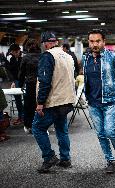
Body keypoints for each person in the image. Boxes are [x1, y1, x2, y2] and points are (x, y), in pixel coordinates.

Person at [83, 29, 115, 173]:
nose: (95, 44)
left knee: (110, 131)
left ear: (104, 42)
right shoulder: (86, 58)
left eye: (98, 41)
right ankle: (110, 160)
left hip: (110, 101)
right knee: (100, 134)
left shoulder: (112, 57)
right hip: (93, 103)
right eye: (92, 41)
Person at [32, 31, 76, 173]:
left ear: (45, 43)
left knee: (37, 128)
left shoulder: (47, 56)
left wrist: (40, 103)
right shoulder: (68, 56)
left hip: (53, 101)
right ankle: (65, 159)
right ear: (55, 42)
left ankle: (49, 157)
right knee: (62, 130)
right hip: (67, 100)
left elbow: (45, 81)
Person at [18, 39, 41, 134]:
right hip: (41, 84)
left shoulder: (26, 58)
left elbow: (21, 73)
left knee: (29, 106)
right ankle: (41, 125)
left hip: (30, 84)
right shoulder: (42, 56)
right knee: (41, 104)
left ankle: (28, 126)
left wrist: (20, 84)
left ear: (27, 47)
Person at [5, 44, 24, 125]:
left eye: (17, 52)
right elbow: (10, 71)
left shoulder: (22, 56)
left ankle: (25, 117)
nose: (16, 53)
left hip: (24, 80)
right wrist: (13, 81)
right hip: (16, 80)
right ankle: (21, 117)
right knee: (18, 99)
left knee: (26, 99)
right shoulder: (9, 57)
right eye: (14, 52)